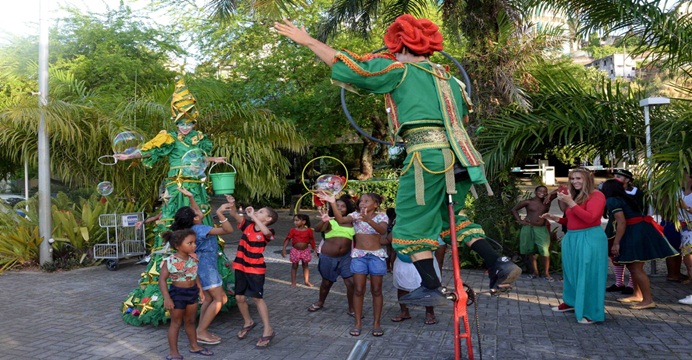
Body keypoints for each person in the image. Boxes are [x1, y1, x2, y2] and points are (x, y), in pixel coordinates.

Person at [274, 15, 521, 307]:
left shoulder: (400, 69)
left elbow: (353, 70)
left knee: (407, 225)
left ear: (399, 44)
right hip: (462, 159)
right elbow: (463, 119)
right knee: (448, 218)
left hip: (426, 158)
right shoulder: (450, 79)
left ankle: (432, 286)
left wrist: (309, 41)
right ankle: (499, 262)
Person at [117, 77, 233, 326]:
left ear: (194, 120)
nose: (185, 126)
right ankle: (168, 283)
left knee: (199, 220)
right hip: (177, 187)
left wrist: (214, 160)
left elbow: (199, 158)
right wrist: (127, 157)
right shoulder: (167, 138)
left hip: (196, 188)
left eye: (189, 122)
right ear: (175, 121)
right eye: (181, 122)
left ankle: (207, 284)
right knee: (176, 223)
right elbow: (147, 152)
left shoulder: (200, 138)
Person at [541, 168, 607, 324]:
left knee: (588, 275)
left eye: (579, 178)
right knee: (571, 273)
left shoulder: (597, 195)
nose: (575, 181)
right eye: (572, 178)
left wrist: (569, 202)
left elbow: (590, 218)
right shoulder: (577, 197)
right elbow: (573, 219)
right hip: (573, 237)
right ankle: (570, 302)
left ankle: (592, 313)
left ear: (588, 180)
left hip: (590, 237)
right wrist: (555, 218)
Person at [601, 179, 678, 309]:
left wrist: (616, 243)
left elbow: (621, 222)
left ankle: (648, 300)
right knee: (633, 266)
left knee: (636, 268)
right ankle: (637, 294)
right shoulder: (627, 198)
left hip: (634, 232)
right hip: (640, 230)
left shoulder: (613, 200)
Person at [320, 192, 388, 337]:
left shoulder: (382, 216)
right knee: (358, 289)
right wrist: (332, 202)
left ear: (376, 204)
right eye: (361, 201)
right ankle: (357, 323)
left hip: (376, 256)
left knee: (376, 290)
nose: (362, 203)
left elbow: (382, 231)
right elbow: (340, 219)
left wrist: (368, 220)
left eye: (367, 201)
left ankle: (376, 323)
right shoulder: (355, 215)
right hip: (359, 256)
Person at [174, 187, 235, 344]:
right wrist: (221, 213)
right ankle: (201, 331)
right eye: (196, 211)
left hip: (202, 266)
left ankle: (201, 329)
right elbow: (228, 230)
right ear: (195, 218)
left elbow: (196, 211)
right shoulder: (201, 229)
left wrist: (191, 197)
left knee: (209, 298)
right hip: (207, 267)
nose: (199, 210)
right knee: (220, 299)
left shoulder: (192, 227)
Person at [227, 201, 278, 348]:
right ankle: (248, 322)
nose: (257, 212)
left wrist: (252, 216)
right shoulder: (247, 226)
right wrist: (232, 204)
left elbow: (266, 233)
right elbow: (233, 214)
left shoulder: (269, 231)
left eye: (261, 212)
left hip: (255, 270)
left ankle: (268, 329)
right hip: (241, 267)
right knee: (239, 297)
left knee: (257, 299)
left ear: (268, 219)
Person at [158, 229, 214, 359]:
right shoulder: (170, 261)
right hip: (177, 294)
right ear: (178, 246)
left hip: (192, 292)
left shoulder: (193, 258)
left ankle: (194, 346)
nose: (194, 245)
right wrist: (167, 298)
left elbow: (195, 274)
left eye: (194, 242)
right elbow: (162, 280)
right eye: (190, 243)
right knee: (176, 322)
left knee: (190, 321)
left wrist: (199, 289)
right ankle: (173, 352)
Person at [308, 195, 357, 317]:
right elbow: (318, 230)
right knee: (326, 283)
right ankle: (321, 301)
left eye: (343, 206)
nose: (340, 208)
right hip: (328, 258)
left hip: (346, 258)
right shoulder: (330, 220)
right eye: (337, 205)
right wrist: (323, 220)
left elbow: (357, 240)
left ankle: (352, 307)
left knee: (351, 283)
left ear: (348, 208)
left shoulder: (352, 222)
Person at [604, 169, 642, 295]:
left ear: (628, 180)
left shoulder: (636, 192)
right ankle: (619, 282)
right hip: (613, 226)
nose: (616, 178)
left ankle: (632, 284)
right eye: (615, 176)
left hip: (629, 226)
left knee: (631, 255)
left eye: (619, 176)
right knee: (614, 255)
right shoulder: (613, 192)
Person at [511, 185, 554, 281]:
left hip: (541, 228)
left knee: (544, 250)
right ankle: (535, 272)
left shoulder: (547, 201)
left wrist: (550, 194)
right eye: (540, 191)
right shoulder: (528, 201)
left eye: (545, 191)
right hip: (528, 227)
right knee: (531, 251)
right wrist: (520, 221)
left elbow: (559, 190)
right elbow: (514, 209)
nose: (542, 193)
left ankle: (546, 273)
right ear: (535, 192)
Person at [282, 214, 316, 287]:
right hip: (295, 250)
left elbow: (311, 240)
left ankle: (306, 281)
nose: (295, 222)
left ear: (304, 222)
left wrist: (315, 249)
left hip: (305, 251)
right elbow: (287, 239)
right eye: (294, 220)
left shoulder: (309, 231)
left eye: (297, 220)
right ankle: (293, 282)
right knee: (294, 266)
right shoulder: (293, 230)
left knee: (305, 265)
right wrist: (284, 249)